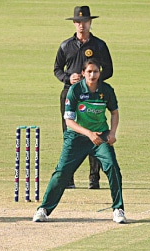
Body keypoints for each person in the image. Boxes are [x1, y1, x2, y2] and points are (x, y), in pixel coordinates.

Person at [33, 57, 126, 224]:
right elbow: (69, 121)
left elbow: (114, 112)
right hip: (77, 137)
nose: (92, 75)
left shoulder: (107, 90)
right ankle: (44, 209)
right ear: (83, 73)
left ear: (99, 73)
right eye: (89, 72)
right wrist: (89, 133)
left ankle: (118, 209)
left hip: (100, 135)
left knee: (112, 167)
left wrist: (112, 133)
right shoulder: (75, 90)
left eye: (95, 71)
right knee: (62, 172)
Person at [53, 6, 113, 189]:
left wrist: (92, 78)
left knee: (93, 133)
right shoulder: (66, 45)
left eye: (84, 21)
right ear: (74, 23)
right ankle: (68, 178)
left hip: (92, 96)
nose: (81, 25)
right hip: (70, 93)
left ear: (90, 22)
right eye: (78, 22)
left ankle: (93, 178)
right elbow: (57, 69)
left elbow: (109, 70)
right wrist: (67, 78)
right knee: (70, 134)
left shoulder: (99, 45)